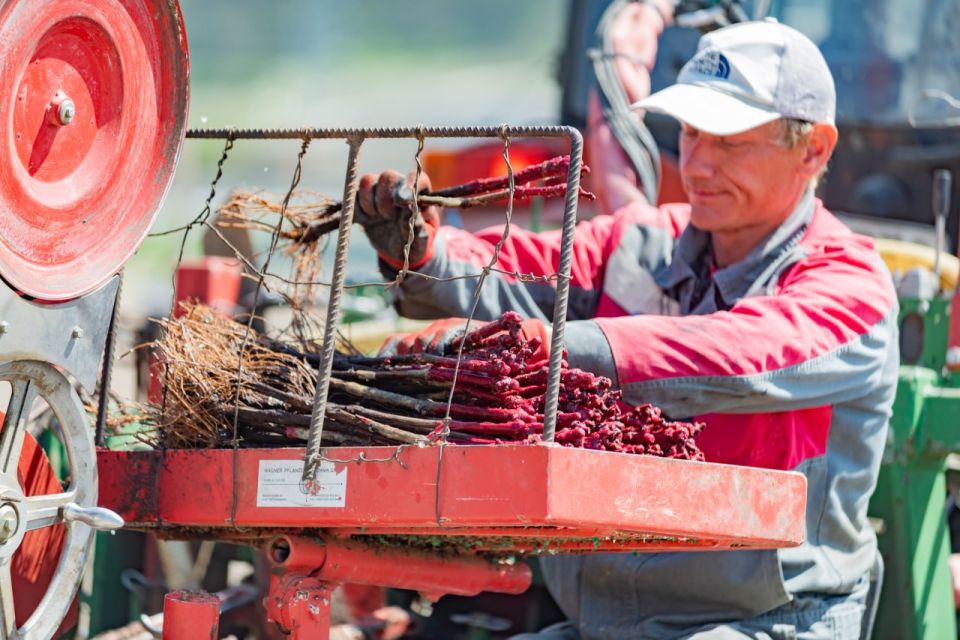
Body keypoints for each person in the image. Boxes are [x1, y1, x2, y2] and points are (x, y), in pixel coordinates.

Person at [354, 10, 898, 640]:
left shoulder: (850, 282)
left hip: (771, 625)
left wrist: (553, 346)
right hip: (604, 625)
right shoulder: (641, 244)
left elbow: (738, 353)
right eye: (690, 134)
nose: (697, 165)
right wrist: (422, 253)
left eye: (729, 142)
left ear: (813, 149)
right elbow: (516, 272)